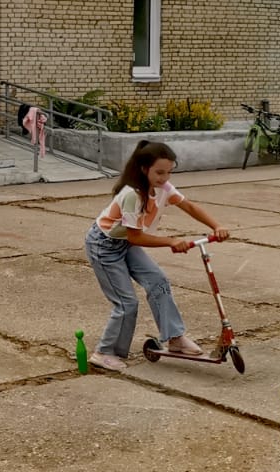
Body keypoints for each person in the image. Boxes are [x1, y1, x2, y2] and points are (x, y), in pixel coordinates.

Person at [83, 140, 230, 371]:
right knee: (126, 302)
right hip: (104, 246)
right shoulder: (132, 195)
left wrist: (216, 226)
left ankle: (174, 338)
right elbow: (135, 237)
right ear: (144, 169)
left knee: (158, 281)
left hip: (126, 242)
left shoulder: (163, 188)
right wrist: (170, 241)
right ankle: (104, 352)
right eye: (159, 172)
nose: (165, 178)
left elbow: (189, 206)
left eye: (169, 172)